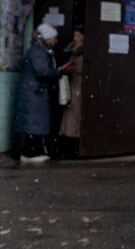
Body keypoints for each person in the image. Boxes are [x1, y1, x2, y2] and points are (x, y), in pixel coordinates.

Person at [14, 23, 65, 163]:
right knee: (33, 122)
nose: (56, 40)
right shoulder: (38, 51)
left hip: (35, 92)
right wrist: (58, 72)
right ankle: (30, 153)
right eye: (54, 37)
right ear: (48, 37)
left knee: (34, 122)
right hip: (34, 93)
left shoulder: (41, 50)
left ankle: (31, 151)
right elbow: (42, 71)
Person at [58, 28, 85, 158]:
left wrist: (71, 68)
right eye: (74, 35)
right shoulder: (71, 50)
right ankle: (68, 142)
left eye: (78, 35)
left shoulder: (82, 52)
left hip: (78, 85)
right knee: (70, 112)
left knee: (74, 112)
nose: (75, 39)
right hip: (72, 85)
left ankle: (73, 142)